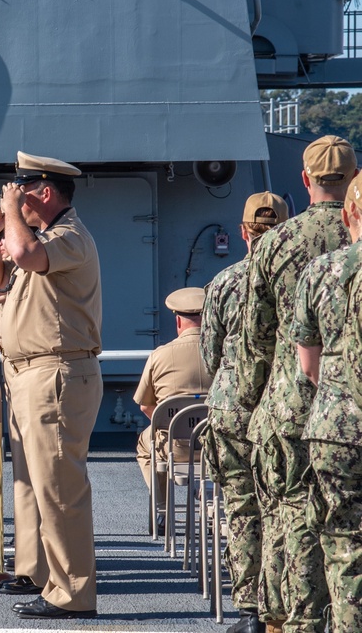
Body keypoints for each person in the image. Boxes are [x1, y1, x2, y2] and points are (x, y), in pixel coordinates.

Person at [236, 134, 356, 633]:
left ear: (305, 180)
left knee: (290, 523)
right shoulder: (352, 239)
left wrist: (247, 407)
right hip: (349, 406)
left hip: (287, 403)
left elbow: (255, 340)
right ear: (354, 180)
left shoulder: (275, 242)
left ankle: (288, 620)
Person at [0, 152, 102, 620]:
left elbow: (27, 255)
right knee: (36, 484)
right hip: (29, 372)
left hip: (56, 373)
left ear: (44, 193)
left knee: (60, 488)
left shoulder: (68, 237)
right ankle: (41, 573)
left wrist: (11, 214)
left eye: (21, 190)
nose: (13, 196)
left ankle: (72, 594)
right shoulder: (41, 238)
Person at [201, 191, 288, 633]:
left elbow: (210, 355)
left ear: (242, 233)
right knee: (283, 511)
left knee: (241, 508)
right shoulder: (296, 281)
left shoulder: (223, 284)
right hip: (281, 411)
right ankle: (284, 605)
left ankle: (249, 611)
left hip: (233, 408)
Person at [291, 177, 362, 633]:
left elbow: (309, 367)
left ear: (348, 215)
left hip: (337, 429)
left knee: (343, 546)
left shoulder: (320, 272)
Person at [133, 287, 212, 519]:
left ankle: (162, 507)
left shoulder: (160, 356)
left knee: (144, 446)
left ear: (178, 321)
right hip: (216, 444)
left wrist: (175, 425)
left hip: (174, 446)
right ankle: (211, 502)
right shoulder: (225, 353)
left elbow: (146, 406)